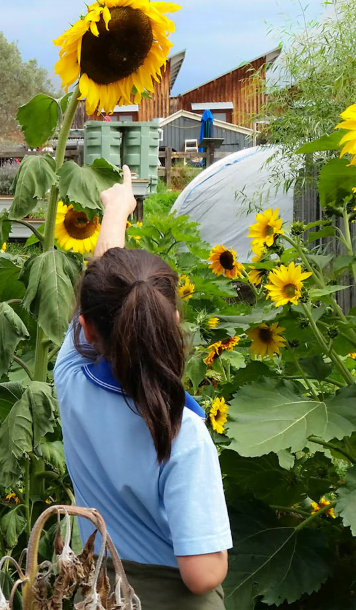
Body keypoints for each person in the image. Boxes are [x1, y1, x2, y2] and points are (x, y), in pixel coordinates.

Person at [53, 166, 231, 608]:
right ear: (173, 323)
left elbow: (98, 290)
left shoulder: (71, 378)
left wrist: (115, 211)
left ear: (86, 330)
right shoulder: (180, 433)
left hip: (96, 590)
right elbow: (203, 573)